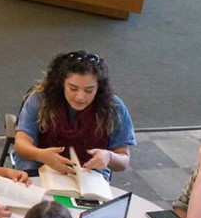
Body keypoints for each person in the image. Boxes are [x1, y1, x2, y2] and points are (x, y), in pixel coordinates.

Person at [13, 51, 135, 179]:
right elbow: (21, 144)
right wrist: (41, 155)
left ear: (99, 87)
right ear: (62, 83)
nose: (80, 97)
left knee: (89, 198)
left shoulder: (114, 107)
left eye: (89, 90)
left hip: (89, 170)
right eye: (73, 88)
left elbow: (123, 160)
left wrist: (109, 157)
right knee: (35, 193)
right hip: (41, 163)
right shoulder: (39, 100)